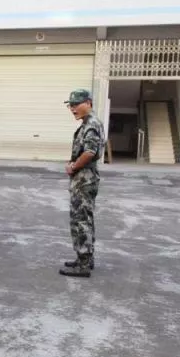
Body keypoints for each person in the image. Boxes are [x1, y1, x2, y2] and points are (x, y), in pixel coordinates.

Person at [59, 89, 105, 278]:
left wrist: (73, 166)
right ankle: (84, 258)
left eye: (76, 104)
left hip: (84, 179)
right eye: (70, 105)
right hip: (84, 178)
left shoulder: (91, 124)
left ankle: (83, 263)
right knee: (84, 218)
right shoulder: (88, 123)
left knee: (81, 220)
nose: (73, 108)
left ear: (88, 103)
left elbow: (89, 152)